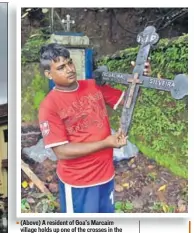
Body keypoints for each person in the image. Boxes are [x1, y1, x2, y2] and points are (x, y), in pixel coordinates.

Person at [38, 43, 150, 213]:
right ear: (49, 74)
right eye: (61, 67)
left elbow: (128, 99)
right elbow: (61, 151)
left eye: (69, 63)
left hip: (106, 175)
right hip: (79, 182)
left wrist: (140, 77)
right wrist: (105, 143)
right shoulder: (49, 106)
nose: (69, 69)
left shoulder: (92, 85)